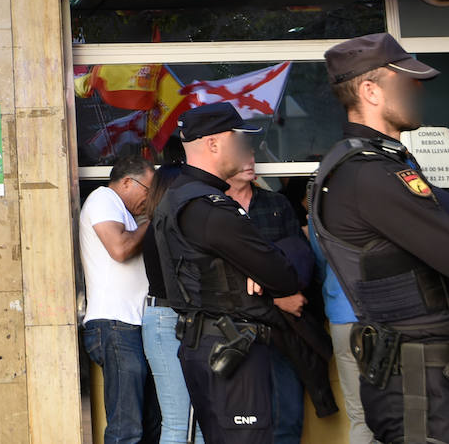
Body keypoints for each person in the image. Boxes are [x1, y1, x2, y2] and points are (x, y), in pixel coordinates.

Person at [311, 33, 449, 444]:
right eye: (405, 82)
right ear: (369, 91)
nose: (417, 90)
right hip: (420, 388)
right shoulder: (368, 173)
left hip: (428, 376)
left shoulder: (385, 162)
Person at [151, 102, 302, 444]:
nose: (246, 149)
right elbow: (283, 275)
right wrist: (258, 269)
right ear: (214, 144)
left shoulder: (178, 199)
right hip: (229, 344)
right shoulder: (208, 208)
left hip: (209, 342)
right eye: (239, 140)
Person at [225, 160, 329, 444]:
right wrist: (277, 298)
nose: (248, 160)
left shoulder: (276, 203)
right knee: (244, 420)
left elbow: (299, 261)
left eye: (250, 153)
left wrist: (284, 296)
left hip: (283, 328)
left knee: (287, 415)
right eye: (240, 154)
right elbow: (215, 275)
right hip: (235, 330)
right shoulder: (212, 208)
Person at [79, 151, 155, 444]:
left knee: (148, 424)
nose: (148, 200)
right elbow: (120, 249)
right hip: (115, 325)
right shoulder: (103, 199)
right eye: (147, 191)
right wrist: (152, 221)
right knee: (127, 429)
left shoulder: (127, 214)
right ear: (126, 182)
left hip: (130, 326)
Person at [142, 162, 205, 444]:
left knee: (193, 420)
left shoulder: (160, 226)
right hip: (169, 319)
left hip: (168, 319)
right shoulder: (164, 229)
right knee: (180, 422)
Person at [307, 222, 378, 444]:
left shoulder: (320, 199)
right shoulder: (389, 195)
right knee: (396, 408)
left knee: (359, 413)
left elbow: (319, 260)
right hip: (387, 314)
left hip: (342, 311)